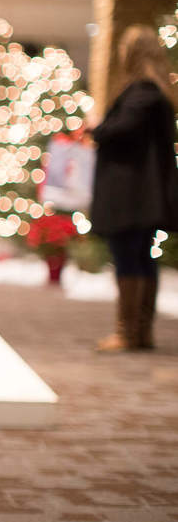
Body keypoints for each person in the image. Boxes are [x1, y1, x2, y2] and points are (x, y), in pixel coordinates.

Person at [89, 24, 178, 352]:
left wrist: (97, 129)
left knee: (128, 256)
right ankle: (141, 332)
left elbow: (121, 130)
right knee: (142, 257)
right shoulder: (159, 93)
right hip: (146, 193)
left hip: (130, 193)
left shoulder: (142, 92)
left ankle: (127, 333)